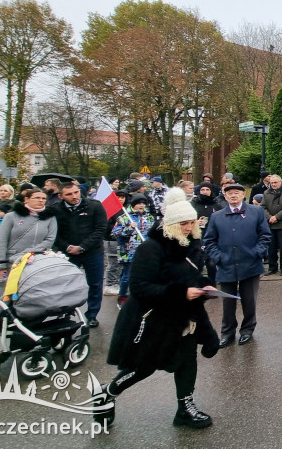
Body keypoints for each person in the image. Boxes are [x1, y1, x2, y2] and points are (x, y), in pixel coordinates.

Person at [97, 187, 220, 430]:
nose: (189, 227)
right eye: (184, 223)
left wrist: (204, 287)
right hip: (153, 318)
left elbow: (192, 278)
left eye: (192, 222)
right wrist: (180, 293)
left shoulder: (192, 245)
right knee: (142, 368)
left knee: (187, 361)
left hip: (184, 317)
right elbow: (140, 288)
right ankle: (106, 394)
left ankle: (185, 408)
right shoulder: (150, 248)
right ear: (171, 224)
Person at [203, 183, 271, 347]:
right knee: (227, 303)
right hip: (226, 265)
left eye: (237, 193)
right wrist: (218, 257)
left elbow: (265, 236)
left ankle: (247, 330)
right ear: (225, 197)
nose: (233, 196)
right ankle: (227, 332)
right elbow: (209, 241)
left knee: (249, 301)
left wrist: (256, 253)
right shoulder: (217, 216)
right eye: (230, 193)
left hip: (250, 265)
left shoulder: (256, 212)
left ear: (243, 195)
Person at [52, 182, 108, 328]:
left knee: (95, 284)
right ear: (61, 196)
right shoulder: (56, 209)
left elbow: (100, 229)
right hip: (68, 252)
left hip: (93, 251)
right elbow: (53, 233)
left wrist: (83, 247)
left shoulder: (94, 206)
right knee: (66, 284)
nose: (74, 196)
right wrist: (67, 247)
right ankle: (66, 312)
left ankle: (92, 314)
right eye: (69, 194)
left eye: (76, 192)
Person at [111, 194, 155, 309]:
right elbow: (115, 233)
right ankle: (123, 296)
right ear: (133, 204)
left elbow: (153, 232)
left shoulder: (149, 217)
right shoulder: (124, 217)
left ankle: (141, 296)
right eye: (139, 203)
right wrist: (129, 228)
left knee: (144, 275)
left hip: (145, 252)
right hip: (128, 252)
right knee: (127, 276)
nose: (142, 205)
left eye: (143, 203)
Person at [262, 174, 282, 276]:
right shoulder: (266, 193)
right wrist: (269, 217)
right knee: (271, 247)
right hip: (270, 224)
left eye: (275, 182)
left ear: (280, 182)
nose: (274, 184)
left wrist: (276, 217)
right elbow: (263, 207)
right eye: (272, 183)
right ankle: (272, 267)